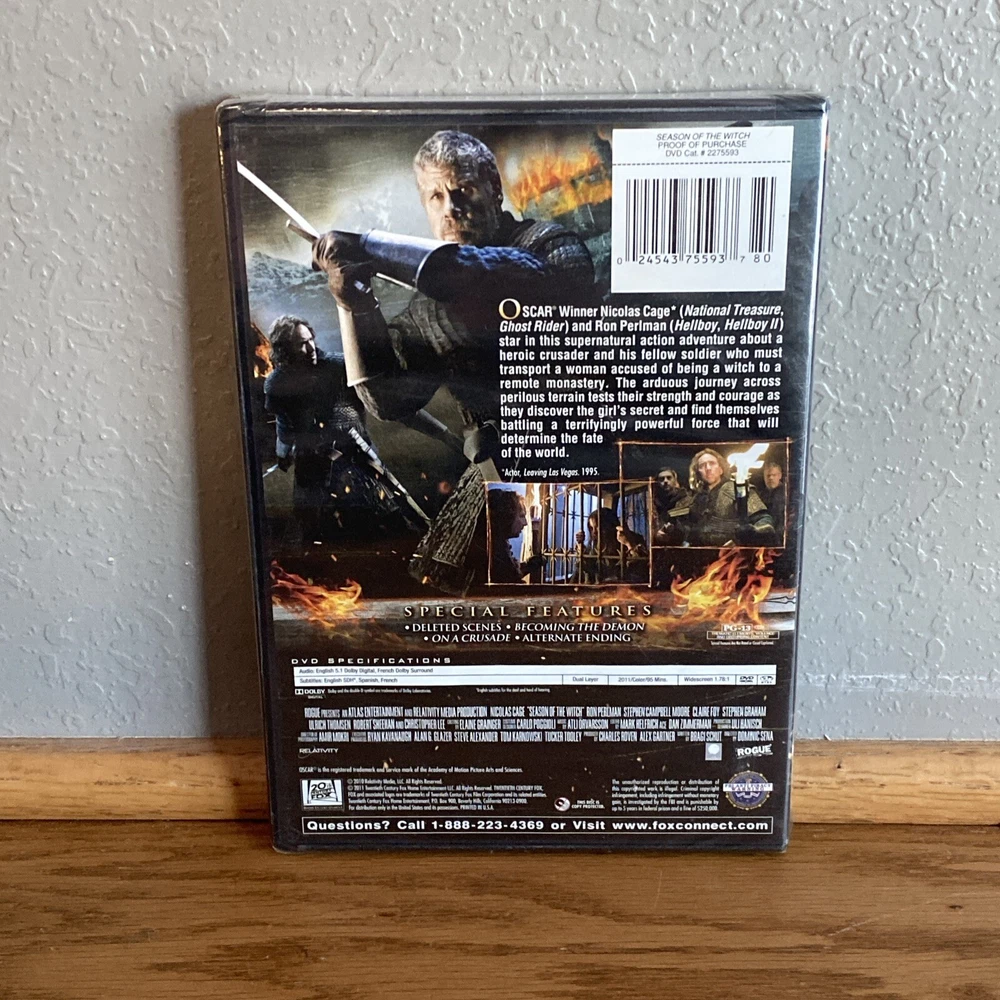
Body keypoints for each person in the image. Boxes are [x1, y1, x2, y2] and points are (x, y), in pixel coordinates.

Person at [311, 130, 596, 593]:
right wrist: (355, 305)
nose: (451, 208)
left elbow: (521, 283)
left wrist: (370, 244)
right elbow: (387, 399)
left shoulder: (551, 246)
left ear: (494, 190)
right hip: (494, 473)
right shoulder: (425, 308)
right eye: (436, 196)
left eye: (464, 191)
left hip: (576, 459)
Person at [263, 315, 416, 544]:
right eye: (301, 344)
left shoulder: (340, 366)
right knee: (315, 530)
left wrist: (440, 431)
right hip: (312, 462)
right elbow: (285, 426)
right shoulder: (277, 383)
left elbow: (380, 403)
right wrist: (283, 453)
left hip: (356, 453)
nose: (311, 348)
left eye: (310, 339)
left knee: (387, 518)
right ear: (285, 350)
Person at [680, 448, 775, 547]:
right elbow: (691, 530)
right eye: (702, 466)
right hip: (703, 553)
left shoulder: (735, 489)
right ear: (698, 473)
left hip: (733, 553)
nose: (708, 468)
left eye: (712, 463)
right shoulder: (697, 499)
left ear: (721, 469)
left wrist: (753, 533)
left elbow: (764, 519)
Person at [486, 489, 544, 584]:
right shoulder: (493, 551)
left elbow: (508, 573)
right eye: (521, 516)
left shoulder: (498, 544)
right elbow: (507, 579)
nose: (525, 523)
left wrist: (528, 566)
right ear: (506, 515)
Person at [574, 508, 647, 584]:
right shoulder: (596, 545)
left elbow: (642, 570)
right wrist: (581, 549)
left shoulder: (631, 537)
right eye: (591, 528)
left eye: (598, 527)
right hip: (602, 588)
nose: (594, 532)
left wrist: (629, 544)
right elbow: (589, 570)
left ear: (609, 525)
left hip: (626, 587)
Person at [651, 467, 692, 544]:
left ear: (675, 480)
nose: (665, 481)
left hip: (680, 544)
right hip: (658, 544)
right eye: (662, 479)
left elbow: (690, 525)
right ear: (657, 482)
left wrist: (675, 530)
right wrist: (656, 533)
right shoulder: (652, 502)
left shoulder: (686, 500)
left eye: (669, 478)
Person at [760, 461, 786, 540]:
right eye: (768, 475)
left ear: (780, 476)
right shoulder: (760, 495)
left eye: (774, 475)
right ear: (764, 477)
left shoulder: (788, 495)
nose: (771, 478)